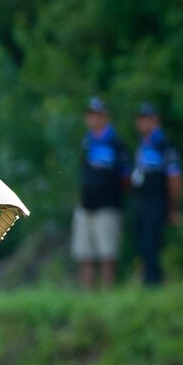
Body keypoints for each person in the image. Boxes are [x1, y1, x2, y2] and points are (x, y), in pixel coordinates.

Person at [73, 97, 126, 289]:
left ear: (105, 117)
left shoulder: (115, 143)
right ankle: (88, 296)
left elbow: (125, 176)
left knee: (107, 255)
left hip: (107, 206)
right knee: (84, 255)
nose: (94, 119)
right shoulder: (86, 142)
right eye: (91, 115)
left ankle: (107, 293)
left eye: (98, 115)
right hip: (86, 206)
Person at [127, 103, 181, 287]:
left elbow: (174, 177)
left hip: (157, 200)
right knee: (141, 242)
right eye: (140, 119)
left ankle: (154, 284)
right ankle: (147, 281)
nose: (142, 123)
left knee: (152, 243)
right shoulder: (143, 145)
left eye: (146, 118)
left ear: (155, 120)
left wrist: (173, 207)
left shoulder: (164, 145)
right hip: (142, 200)